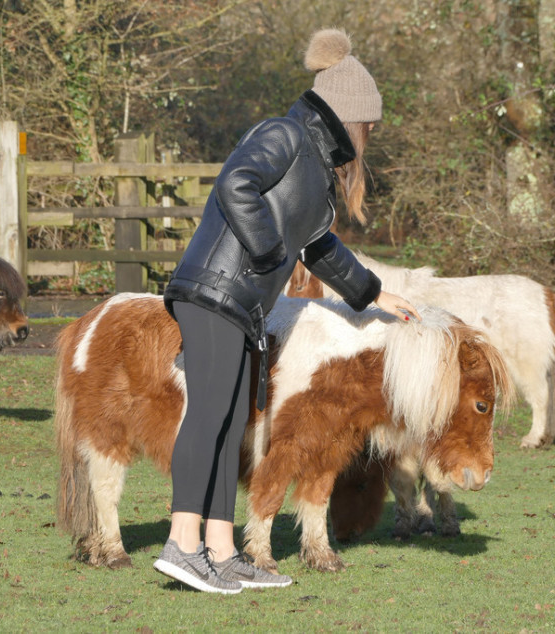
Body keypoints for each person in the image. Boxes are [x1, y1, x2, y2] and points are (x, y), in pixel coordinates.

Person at [155, 28, 421, 594]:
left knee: (231, 428)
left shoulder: (318, 171)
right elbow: (236, 184)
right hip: (213, 292)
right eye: (369, 121)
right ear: (347, 113)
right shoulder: (286, 135)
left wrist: (374, 293)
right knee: (211, 416)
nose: (372, 131)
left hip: (240, 305)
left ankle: (222, 553)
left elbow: (319, 246)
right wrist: (271, 251)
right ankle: (182, 545)